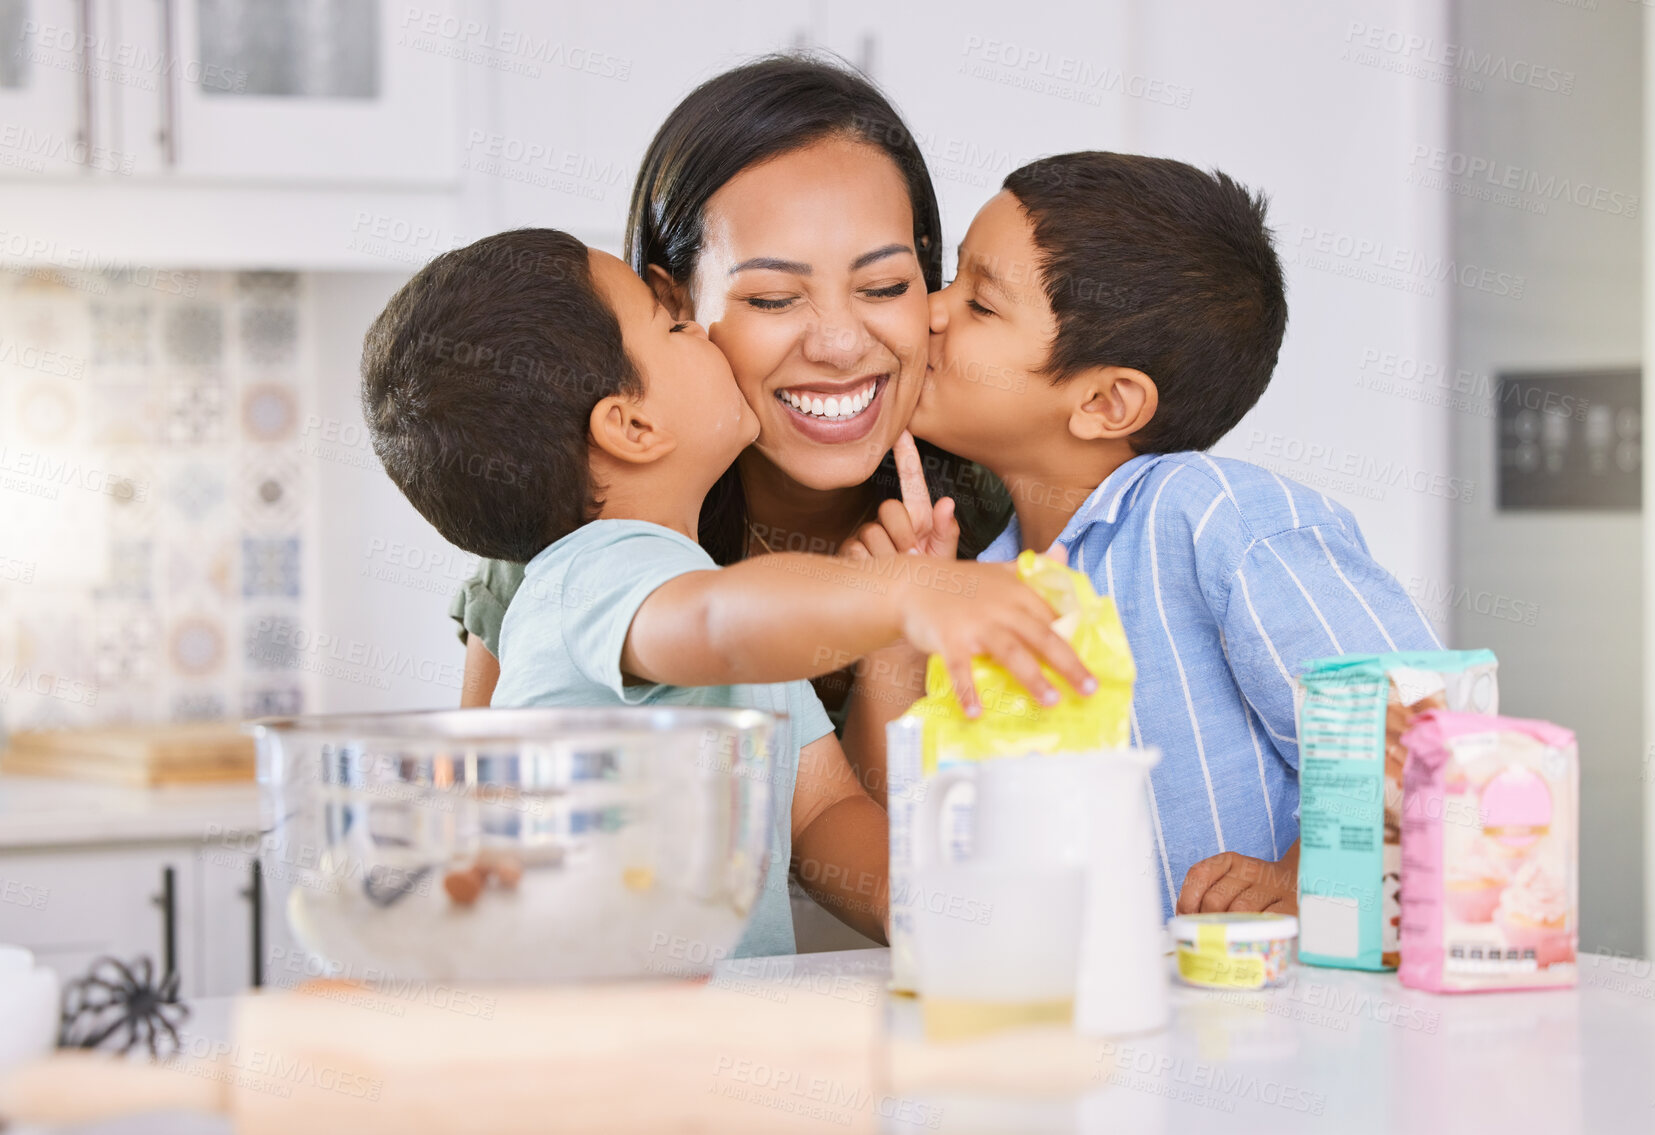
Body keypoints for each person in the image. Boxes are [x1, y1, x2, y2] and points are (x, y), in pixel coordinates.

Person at [359, 228, 1093, 955]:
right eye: (675, 326)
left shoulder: (723, 604)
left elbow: (825, 812)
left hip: (713, 1033)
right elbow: (714, 624)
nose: (707, 334)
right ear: (632, 425)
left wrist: (934, 909)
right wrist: (895, 591)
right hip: (595, 1033)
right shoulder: (591, 573)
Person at [889, 152, 1441, 919]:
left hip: (1266, 1022)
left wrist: (1301, 877)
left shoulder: (1209, 516)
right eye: (950, 280)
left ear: (1107, 402)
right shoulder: (985, 573)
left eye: (980, 304)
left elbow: (1430, 741)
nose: (929, 311)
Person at [447, 57, 1013, 805]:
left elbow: (910, 867)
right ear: (669, 300)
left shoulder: (994, 513)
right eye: (776, 299)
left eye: (884, 287)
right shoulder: (569, 526)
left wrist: (894, 648)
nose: (841, 345)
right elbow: (475, 832)